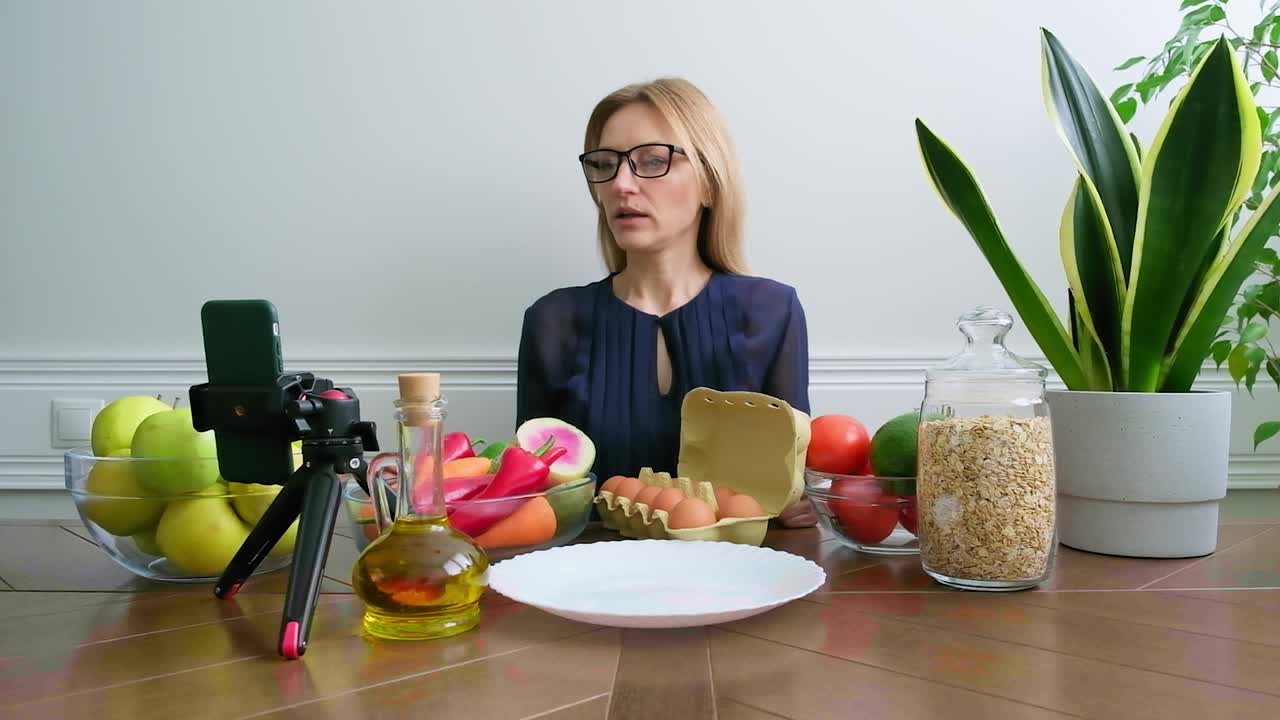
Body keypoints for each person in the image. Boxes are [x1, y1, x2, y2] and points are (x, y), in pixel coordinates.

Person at [515, 77, 816, 528]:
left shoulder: (771, 312)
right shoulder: (552, 322)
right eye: (604, 164)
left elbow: (788, 497)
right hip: (590, 583)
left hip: (737, 580)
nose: (620, 185)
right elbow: (538, 502)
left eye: (652, 160)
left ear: (710, 183)